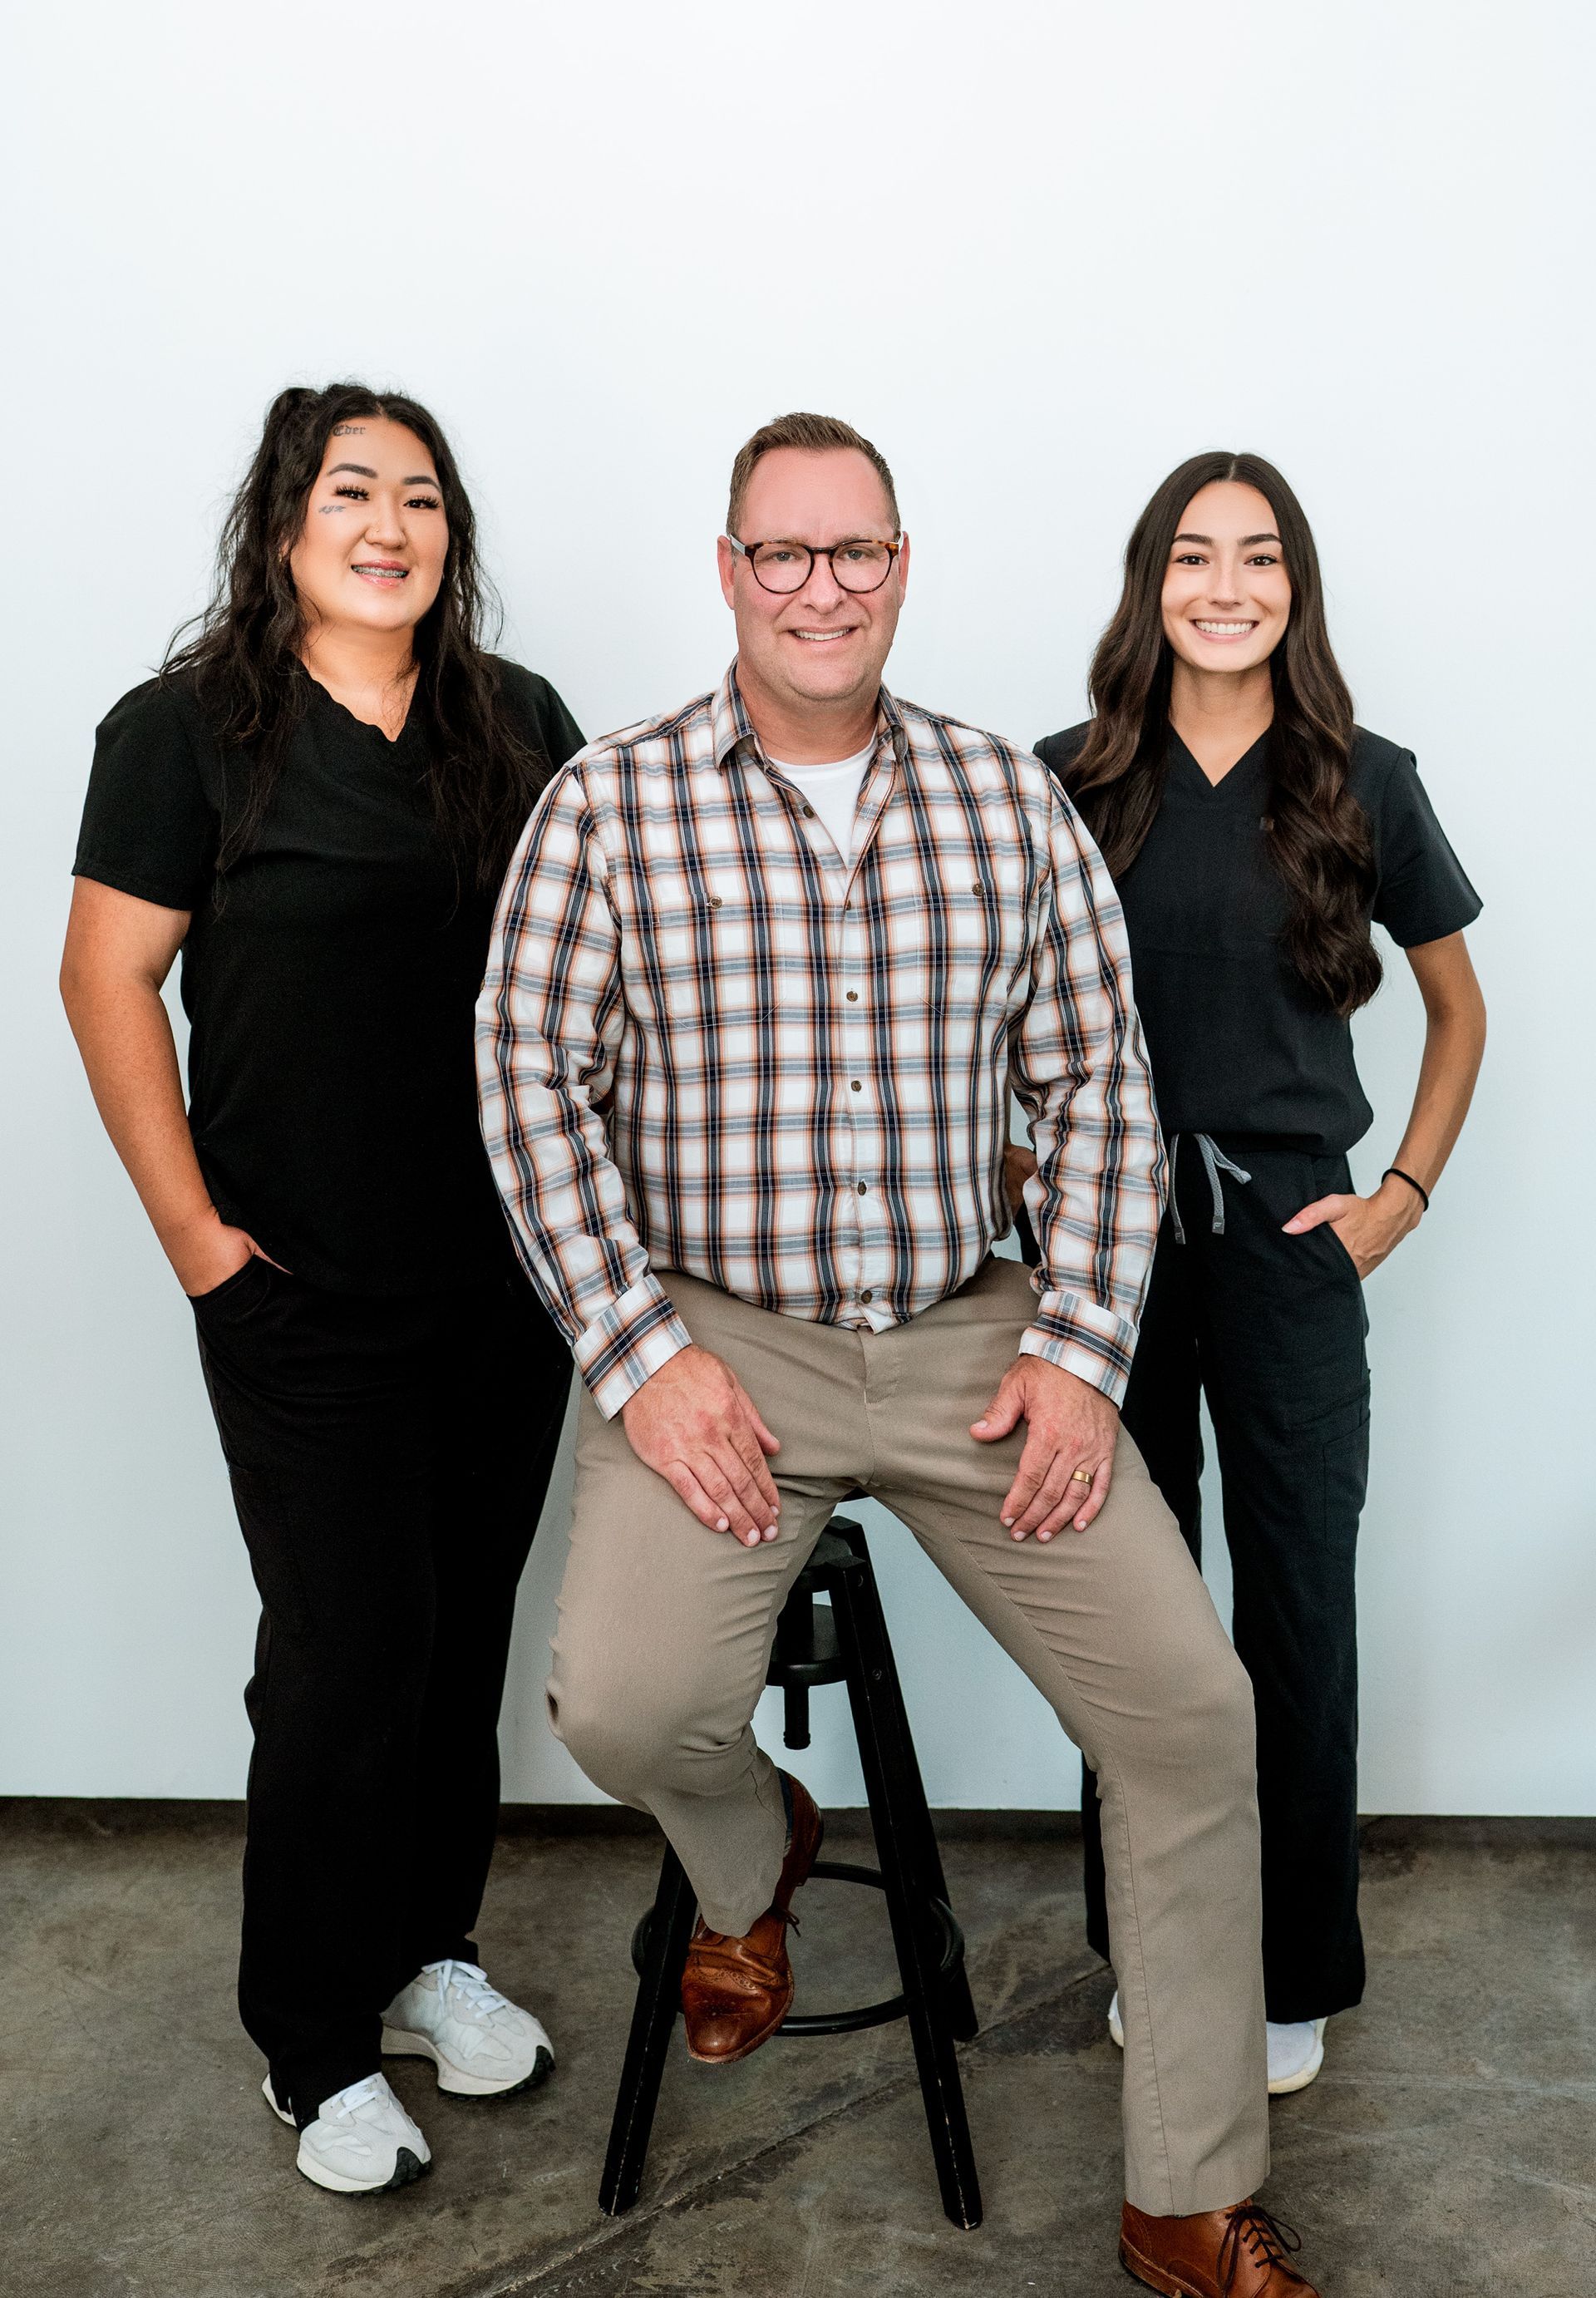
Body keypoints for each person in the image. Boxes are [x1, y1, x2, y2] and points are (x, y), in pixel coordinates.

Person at [478, 412, 1324, 2296]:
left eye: (853, 552)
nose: (819, 588)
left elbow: (1101, 1079)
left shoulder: (996, 801)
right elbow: (528, 1085)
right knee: (620, 1699)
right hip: (716, 1337)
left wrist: (1087, 1346)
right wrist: (642, 1356)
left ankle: (1183, 2188)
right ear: (726, 572)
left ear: (902, 565)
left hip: (968, 1337)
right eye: (781, 554)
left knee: (1194, 1716)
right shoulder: (609, 805)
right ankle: (746, 1850)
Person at [61, 383, 583, 2195]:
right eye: (351, 490)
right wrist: (202, 1239)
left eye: (422, 497)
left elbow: (601, 965)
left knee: (456, 1644)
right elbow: (105, 980)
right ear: (284, 522)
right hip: (304, 1292)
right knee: (345, 1653)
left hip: (510, 1283)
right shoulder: (186, 731)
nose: (392, 525)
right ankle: (312, 2034)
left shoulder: (514, 724)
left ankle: (429, 1949)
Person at [1034, 449, 1485, 2098]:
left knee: (1295, 1613)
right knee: (1129, 1625)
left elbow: (1459, 1008)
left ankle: (1290, 1967)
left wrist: (1401, 1195)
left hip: (1295, 1244)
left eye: (1261, 557)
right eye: (1194, 556)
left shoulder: (1367, 777)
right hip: (1107, 1257)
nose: (1227, 585)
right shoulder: (1069, 781)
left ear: (1295, 588)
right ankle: (1158, 1948)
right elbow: (997, 1020)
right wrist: (1024, 1172)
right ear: (1150, 582)